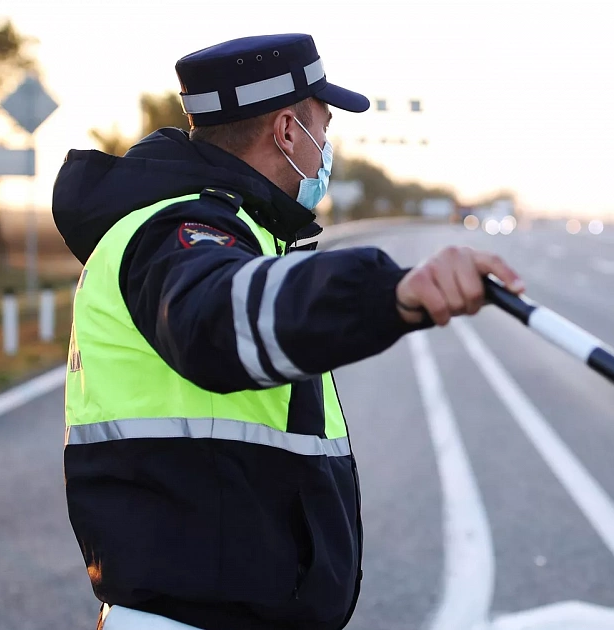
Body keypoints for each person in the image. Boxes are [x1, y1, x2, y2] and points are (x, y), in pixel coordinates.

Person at [50, 34, 524, 630]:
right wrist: (391, 293)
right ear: (286, 132)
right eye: (324, 127)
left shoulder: (234, 230)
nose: (327, 148)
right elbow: (215, 318)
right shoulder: (177, 231)